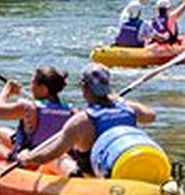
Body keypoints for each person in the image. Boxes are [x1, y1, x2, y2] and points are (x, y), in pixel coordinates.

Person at [17, 63, 156, 177]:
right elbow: (151, 115)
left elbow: (50, 155)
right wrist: (120, 100)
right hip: (127, 163)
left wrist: (27, 157)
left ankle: (77, 178)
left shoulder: (81, 121)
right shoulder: (129, 109)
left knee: (62, 156)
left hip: (94, 175)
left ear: (85, 87)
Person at [0, 66, 77, 175]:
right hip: (55, 155)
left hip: (28, 160)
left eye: (33, 83)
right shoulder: (72, 110)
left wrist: (7, 90)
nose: (30, 87)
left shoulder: (28, 107)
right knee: (2, 131)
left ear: (43, 88)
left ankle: (9, 157)